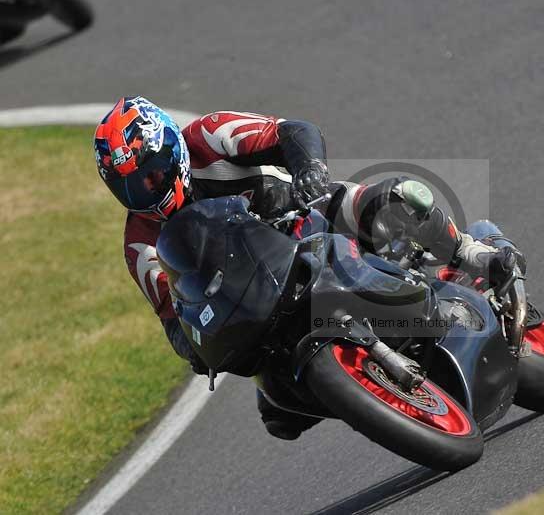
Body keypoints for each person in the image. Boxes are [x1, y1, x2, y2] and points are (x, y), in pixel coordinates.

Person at [93, 96, 520, 440]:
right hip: (260, 302)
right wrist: (194, 347)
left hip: (309, 219)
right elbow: (171, 318)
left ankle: (471, 252)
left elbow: (293, 131)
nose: (146, 190)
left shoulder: (210, 134)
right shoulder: (139, 243)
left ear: (172, 149)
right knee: (279, 415)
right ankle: (369, 389)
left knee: (393, 201)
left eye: (152, 175)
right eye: (129, 187)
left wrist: (309, 170)